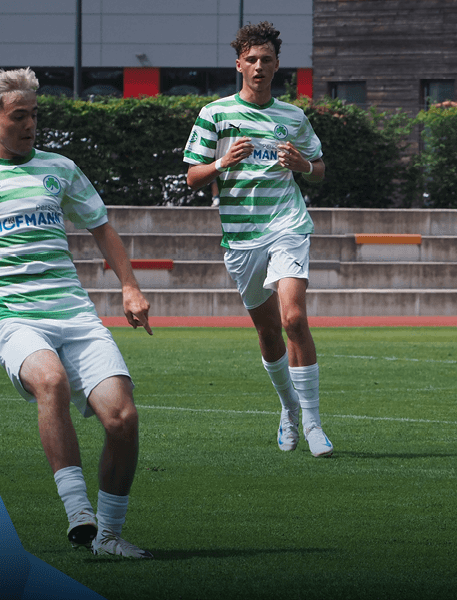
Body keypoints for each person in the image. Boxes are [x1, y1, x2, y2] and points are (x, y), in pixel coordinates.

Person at [0, 68, 153, 558]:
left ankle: (109, 536)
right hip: (13, 314)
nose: (31, 124)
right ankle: (78, 510)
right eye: (20, 116)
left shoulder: (60, 167)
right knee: (51, 381)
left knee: (122, 419)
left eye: (35, 115)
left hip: (75, 314)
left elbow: (101, 228)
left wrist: (129, 288)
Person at [183, 21, 333, 457]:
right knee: (269, 332)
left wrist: (303, 165)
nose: (259, 66)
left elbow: (319, 167)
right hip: (241, 238)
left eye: (266, 59)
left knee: (293, 319)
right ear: (239, 65)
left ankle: (313, 422)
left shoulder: (293, 116)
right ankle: (288, 409)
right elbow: (192, 176)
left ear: (277, 65)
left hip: (287, 225)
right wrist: (223, 162)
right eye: (251, 59)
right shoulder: (215, 113)